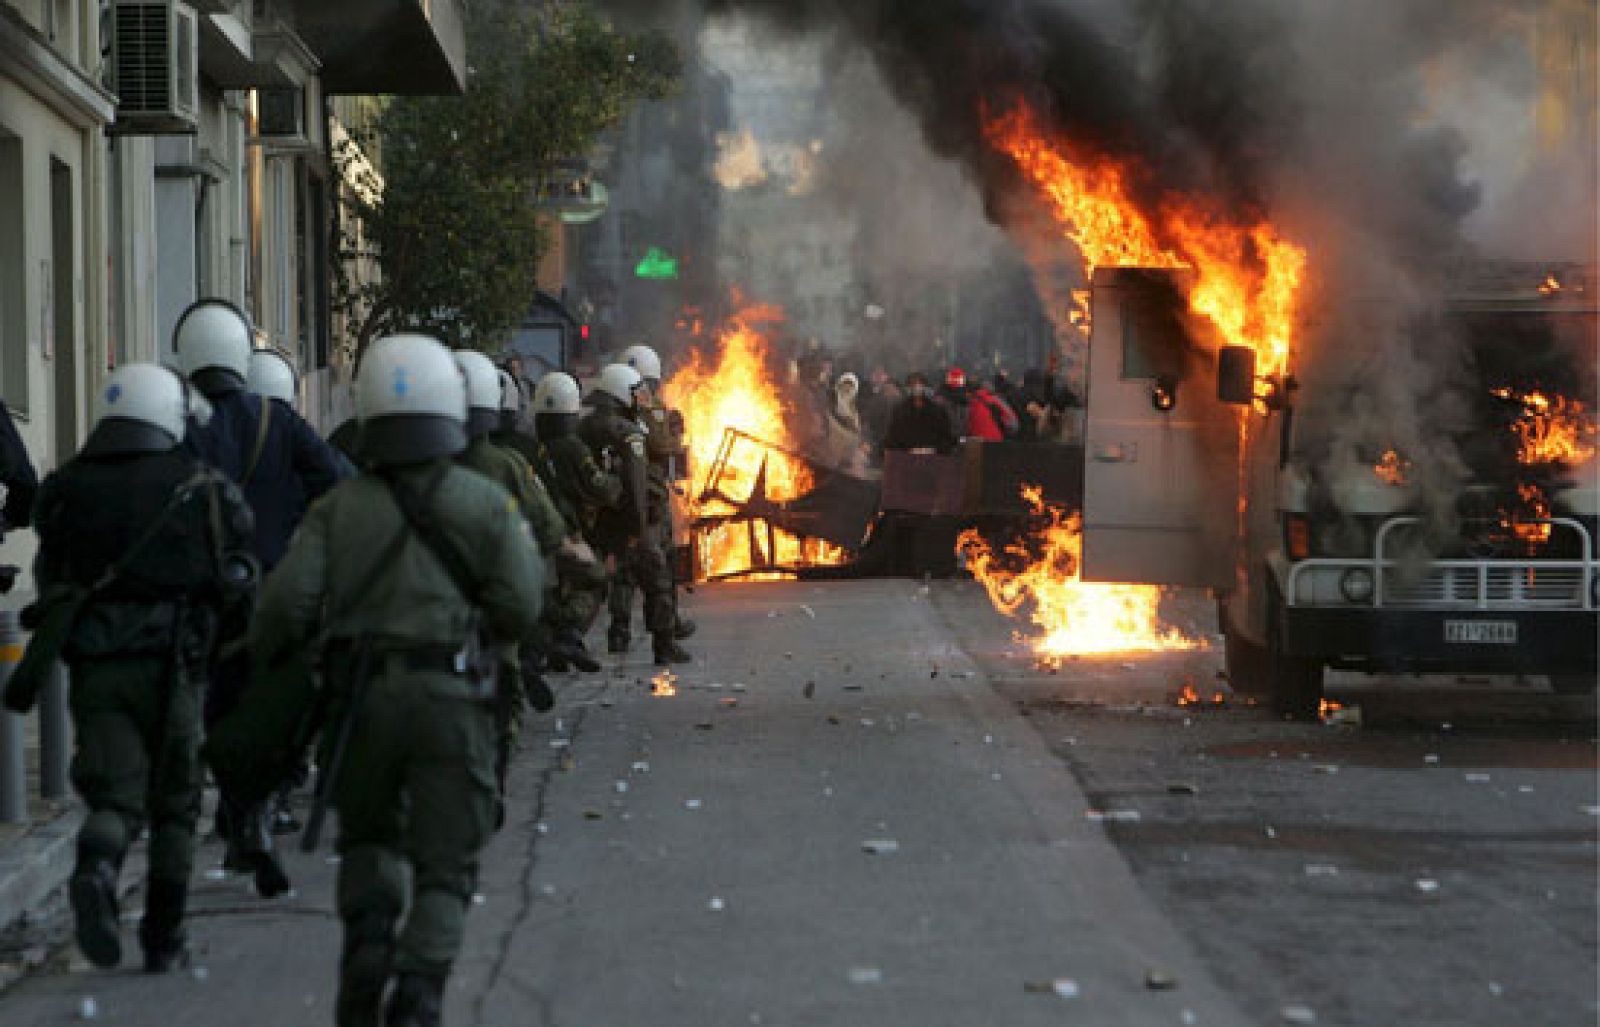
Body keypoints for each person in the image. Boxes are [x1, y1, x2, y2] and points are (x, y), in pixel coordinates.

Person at [251, 333, 546, 1027]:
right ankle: (419, 986)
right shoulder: (483, 502)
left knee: (371, 838)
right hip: (454, 699)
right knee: (447, 859)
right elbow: (522, 604)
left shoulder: (338, 509)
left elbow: (285, 607)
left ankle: (369, 940)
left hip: (359, 704)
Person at [31, 364, 253, 972]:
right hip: (174, 666)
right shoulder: (199, 485)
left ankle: (98, 864)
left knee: (115, 790)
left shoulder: (67, 488)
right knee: (176, 801)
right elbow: (236, 562)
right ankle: (164, 936)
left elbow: (51, 576)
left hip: (98, 667)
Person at [173, 297, 346, 894]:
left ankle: (222, 812)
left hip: (195, 596)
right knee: (267, 703)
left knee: (202, 708)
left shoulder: (179, 423)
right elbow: (338, 479)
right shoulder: (277, 422)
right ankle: (256, 814)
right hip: (268, 588)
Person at [579, 364, 690, 665]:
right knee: (657, 581)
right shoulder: (629, 434)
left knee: (601, 582)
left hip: (598, 521)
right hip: (631, 520)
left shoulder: (584, 428)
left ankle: (579, 638)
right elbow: (637, 486)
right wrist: (637, 527)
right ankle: (664, 645)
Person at [528, 371, 620, 657]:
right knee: (595, 580)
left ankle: (546, 644)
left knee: (553, 590)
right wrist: (615, 477)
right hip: (568, 530)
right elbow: (601, 488)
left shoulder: (533, 447)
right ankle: (569, 634)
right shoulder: (573, 447)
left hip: (536, 530)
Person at [618, 344, 695, 645]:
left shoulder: (614, 408)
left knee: (625, 563)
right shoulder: (651, 405)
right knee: (660, 564)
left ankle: (620, 629)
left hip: (620, 492)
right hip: (648, 493)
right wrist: (675, 433)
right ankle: (666, 631)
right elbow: (664, 447)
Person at [883, 372, 959, 454]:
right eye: (913, 384)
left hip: (933, 458)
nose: (916, 387)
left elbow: (946, 437)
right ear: (908, 387)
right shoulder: (899, 410)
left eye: (919, 383)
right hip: (906, 458)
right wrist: (907, 450)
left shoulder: (937, 411)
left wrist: (933, 449)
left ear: (925, 386)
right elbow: (893, 436)